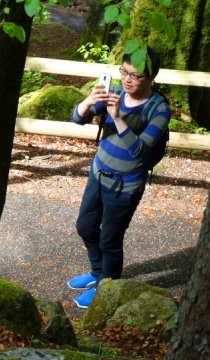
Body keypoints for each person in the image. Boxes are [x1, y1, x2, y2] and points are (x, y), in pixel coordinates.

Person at [67, 47, 172, 309]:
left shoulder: (159, 109)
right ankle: (97, 271)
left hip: (125, 185)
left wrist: (117, 118)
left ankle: (107, 284)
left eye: (135, 76)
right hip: (98, 172)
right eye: (124, 72)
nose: (127, 79)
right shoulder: (115, 95)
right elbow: (77, 119)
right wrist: (90, 101)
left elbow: (139, 150)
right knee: (86, 226)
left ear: (151, 78)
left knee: (110, 239)